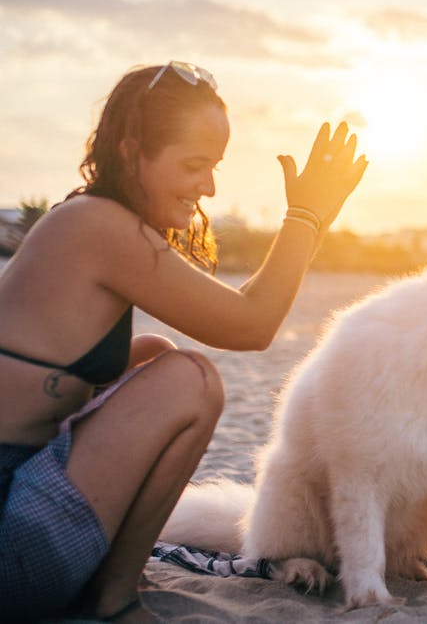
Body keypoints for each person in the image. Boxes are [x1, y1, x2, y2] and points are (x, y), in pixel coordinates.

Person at [0, 61, 367, 621]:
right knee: (191, 381)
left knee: (156, 358)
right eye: (195, 165)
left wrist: (308, 221)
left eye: (215, 166)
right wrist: (306, 215)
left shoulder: (80, 218)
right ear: (131, 152)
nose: (210, 187)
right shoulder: (98, 226)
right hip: (13, 551)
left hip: (18, 517)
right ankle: (115, 598)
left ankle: (105, 578)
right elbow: (251, 325)